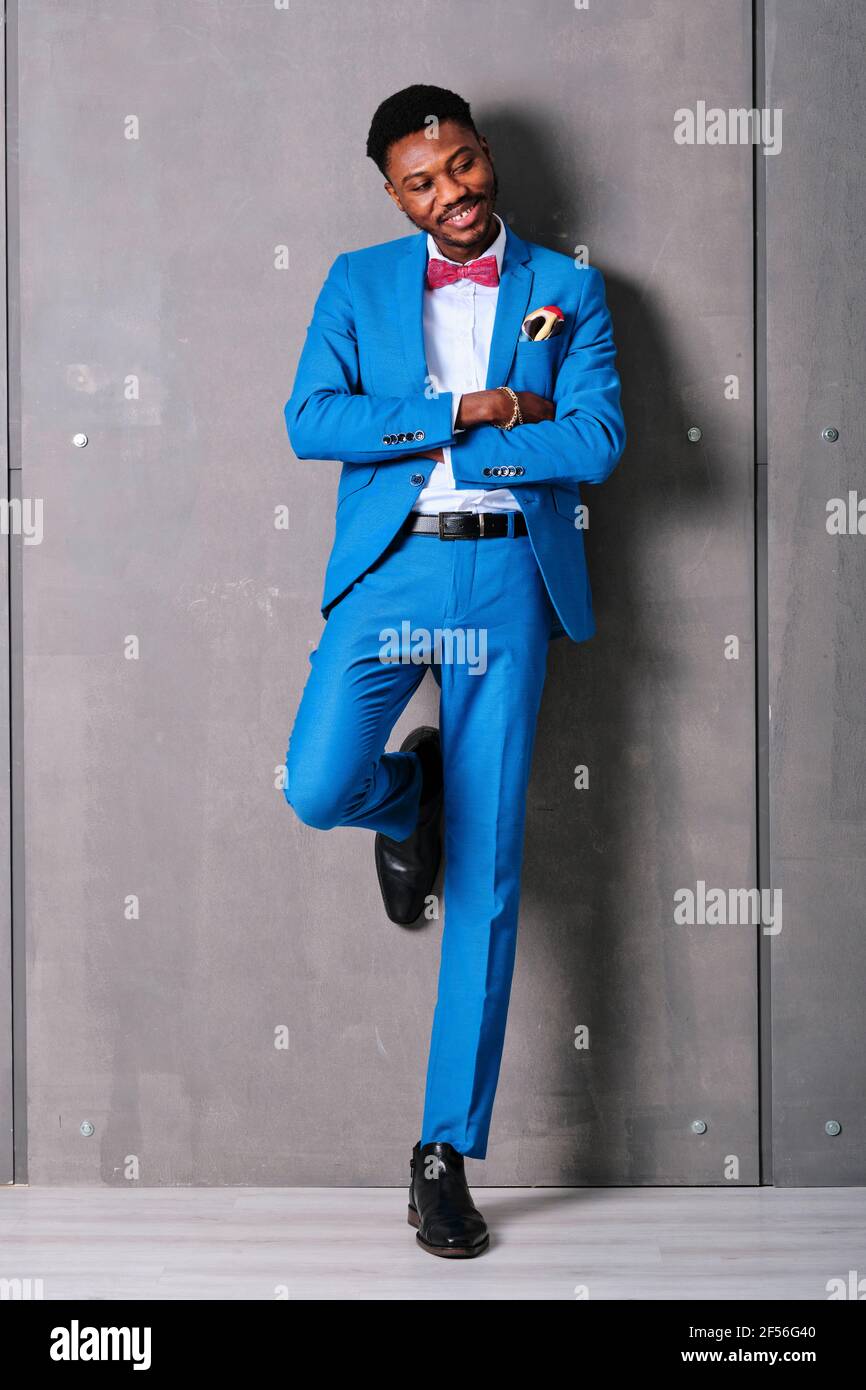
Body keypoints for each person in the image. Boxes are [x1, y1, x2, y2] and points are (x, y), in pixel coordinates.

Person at [282, 84, 626, 1258]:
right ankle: (403, 792)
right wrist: (470, 406)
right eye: (421, 182)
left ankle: (441, 1149)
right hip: (389, 572)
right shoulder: (353, 281)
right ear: (392, 192)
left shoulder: (567, 290)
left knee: (483, 869)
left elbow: (593, 439)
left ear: (484, 157)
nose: (452, 194)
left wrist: (482, 431)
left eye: (463, 166)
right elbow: (311, 420)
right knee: (316, 783)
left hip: (505, 579)